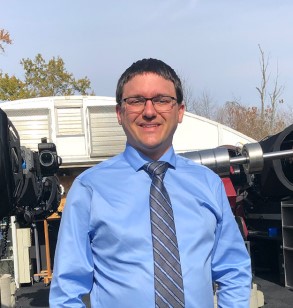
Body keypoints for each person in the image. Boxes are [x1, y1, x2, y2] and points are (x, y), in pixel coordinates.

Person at [49, 58, 252, 307]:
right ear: (119, 113)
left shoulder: (209, 185)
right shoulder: (89, 189)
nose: (149, 111)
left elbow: (234, 270)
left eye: (161, 100)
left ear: (179, 112)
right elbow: (67, 291)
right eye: (135, 101)